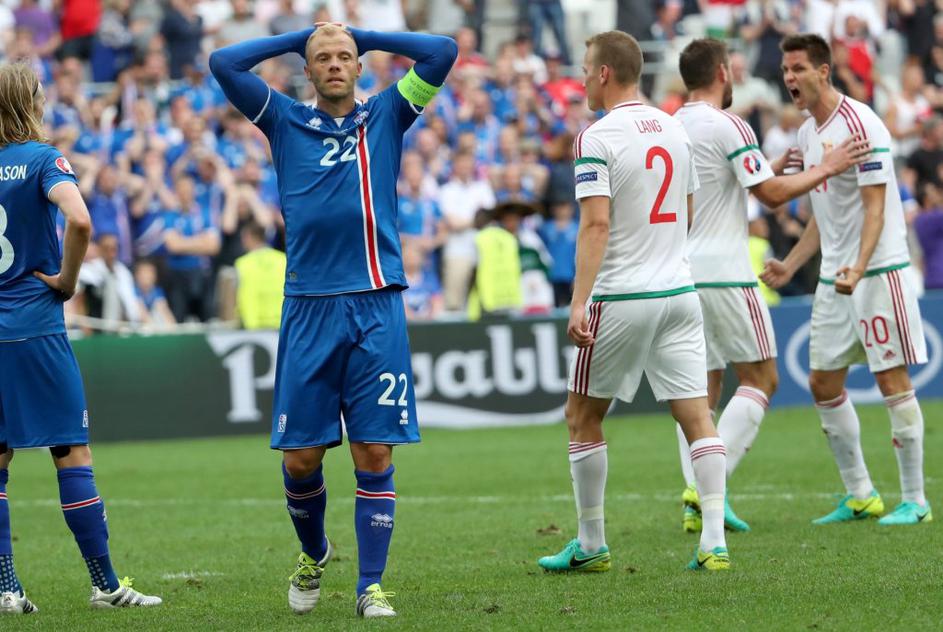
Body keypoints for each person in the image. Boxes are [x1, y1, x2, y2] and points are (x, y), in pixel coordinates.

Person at [210, 22, 457, 618]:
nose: (336, 64)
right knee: (301, 460)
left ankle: (370, 585)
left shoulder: (389, 114)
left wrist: (362, 34)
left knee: (374, 453)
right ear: (308, 70)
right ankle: (314, 550)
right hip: (310, 308)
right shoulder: (283, 119)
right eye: (323, 58)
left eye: (345, 56)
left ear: (360, 65)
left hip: (376, 303)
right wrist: (302, 35)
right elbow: (224, 62)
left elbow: (442, 51)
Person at [537, 31, 731, 575]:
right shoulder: (674, 127)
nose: (581, 78)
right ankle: (714, 541)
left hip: (622, 294)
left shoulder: (595, 137)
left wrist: (579, 301)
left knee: (582, 416)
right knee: (697, 416)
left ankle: (591, 543)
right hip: (679, 293)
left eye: (585, 68)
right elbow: (687, 211)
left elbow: (596, 224)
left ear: (603, 73)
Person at [673, 38, 869, 534]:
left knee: (702, 389)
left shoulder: (671, 125)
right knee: (761, 379)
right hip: (725, 272)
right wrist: (826, 168)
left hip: (681, 273)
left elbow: (720, 186)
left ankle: (697, 497)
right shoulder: (730, 124)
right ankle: (708, 487)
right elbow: (772, 196)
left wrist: (768, 168)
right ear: (722, 72)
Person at [0, 63, 160, 614]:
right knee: (71, 452)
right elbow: (81, 220)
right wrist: (67, 281)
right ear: (31, 101)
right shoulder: (43, 159)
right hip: (34, 328)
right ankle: (105, 586)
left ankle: (6, 589)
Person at [762, 34, 932, 526]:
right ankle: (860, 493)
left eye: (798, 68)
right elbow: (824, 213)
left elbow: (876, 207)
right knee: (822, 381)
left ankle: (916, 500)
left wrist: (859, 265)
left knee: (891, 378)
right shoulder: (806, 134)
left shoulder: (861, 125)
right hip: (836, 275)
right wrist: (791, 263)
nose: (789, 78)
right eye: (785, 69)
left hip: (877, 271)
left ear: (823, 71)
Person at [234, 220, 286, 330]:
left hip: (253, 327)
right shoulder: (283, 259)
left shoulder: (242, 264)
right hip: (282, 324)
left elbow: (240, 297)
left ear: (248, 237)